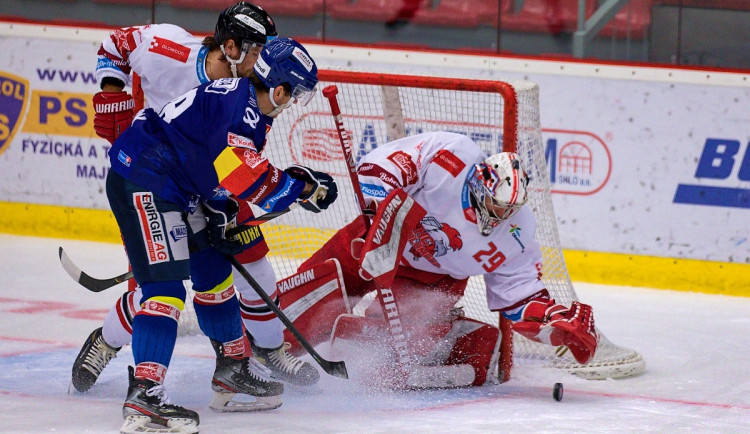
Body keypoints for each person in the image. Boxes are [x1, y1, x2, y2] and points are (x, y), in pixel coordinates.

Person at [72, 2, 320, 398]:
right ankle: (109, 344)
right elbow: (115, 44)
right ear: (233, 46)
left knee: (240, 265)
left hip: (202, 182)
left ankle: (258, 353)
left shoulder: (249, 99)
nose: (263, 60)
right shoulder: (169, 50)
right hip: (154, 179)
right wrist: (112, 96)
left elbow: (237, 164)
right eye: (258, 50)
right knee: (158, 290)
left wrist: (228, 197)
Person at [104, 37, 336, 431]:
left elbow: (214, 163)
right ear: (278, 90)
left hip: (176, 185)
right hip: (144, 180)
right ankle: (144, 397)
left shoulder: (247, 102)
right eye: (294, 95)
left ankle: (232, 368)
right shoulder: (243, 113)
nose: (293, 103)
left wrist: (219, 204)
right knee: (165, 292)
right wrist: (305, 189)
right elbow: (248, 177)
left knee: (213, 272)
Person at [292, 131, 598, 389]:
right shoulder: (452, 155)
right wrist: (381, 213)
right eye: (497, 204)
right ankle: (255, 355)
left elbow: (518, 295)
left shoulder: (518, 231)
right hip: (378, 237)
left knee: (379, 359)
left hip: (431, 280)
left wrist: (553, 323)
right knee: (300, 304)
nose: (502, 215)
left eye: (510, 209)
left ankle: (453, 335)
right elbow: (379, 167)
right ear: (480, 185)